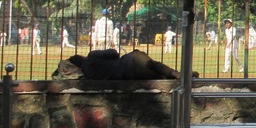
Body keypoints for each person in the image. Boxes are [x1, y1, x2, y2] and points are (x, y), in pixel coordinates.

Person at [56, 48, 185, 80]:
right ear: (82, 57)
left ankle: (174, 75)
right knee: (154, 64)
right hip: (130, 61)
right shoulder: (91, 56)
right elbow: (114, 53)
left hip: (129, 75)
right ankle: (176, 73)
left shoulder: (88, 74)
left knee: (157, 76)